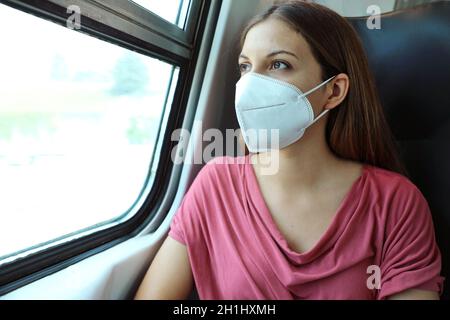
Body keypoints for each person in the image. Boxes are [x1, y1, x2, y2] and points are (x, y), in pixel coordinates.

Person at [135, 1, 444, 300]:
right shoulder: (216, 183)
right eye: (246, 67)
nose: (250, 86)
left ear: (333, 91)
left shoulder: (396, 204)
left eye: (278, 64)